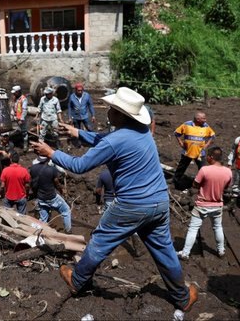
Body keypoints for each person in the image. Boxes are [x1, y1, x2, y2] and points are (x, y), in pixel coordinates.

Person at [31, 87, 197, 313]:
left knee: (100, 242)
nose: (107, 111)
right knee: (163, 249)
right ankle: (182, 297)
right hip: (158, 201)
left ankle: (77, 280)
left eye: (111, 109)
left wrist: (51, 153)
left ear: (120, 114)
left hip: (132, 204)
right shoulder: (142, 130)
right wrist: (78, 133)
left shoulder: (115, 140)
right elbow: (106, 139)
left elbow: (80, 166)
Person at [177, 147, 232, 260]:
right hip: (217, 205)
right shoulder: (228, 171)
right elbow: (226, 187)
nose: (205, 158)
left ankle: (185, 253)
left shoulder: (204, 170)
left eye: (207, 156)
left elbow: (195, 185)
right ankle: (221, 250)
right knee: (217, 227)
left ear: (211, 157)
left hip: (202, 204)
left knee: (193, 228)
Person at [173, 111, 215, 189]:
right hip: (187, 152)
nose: (205, 120)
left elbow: (212, 136)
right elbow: (177, 133)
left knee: (202, 169)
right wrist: (180, 143)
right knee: (181, 168)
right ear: (198, 119)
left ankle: (202, 185)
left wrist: (206, 145)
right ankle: (175, 182)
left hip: (200, 153)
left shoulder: (206, 126)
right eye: (203, 118)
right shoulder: (186, 125)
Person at [30, 155, 71, 233]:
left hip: (41, 198)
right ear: (48, 159)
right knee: (66, 211)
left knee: (43, 219)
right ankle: (68, 231)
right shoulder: (52, 169)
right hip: (52, 197)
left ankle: (40, 233)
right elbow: (57, 184)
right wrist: (62, 190)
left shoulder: (33, 168)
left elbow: (32, 183)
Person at [11, 85, 29, 153]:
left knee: (24, 132)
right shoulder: (15, 98)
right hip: (16, 117)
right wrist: (12, 113)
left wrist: (22, 119)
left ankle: (25, 145)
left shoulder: (23, 99)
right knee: (16, 130)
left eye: (14, 92)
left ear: (18, 92)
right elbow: (13, 107)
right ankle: (18, 141)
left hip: (21, 118)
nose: (13, 94)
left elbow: (24, 110)